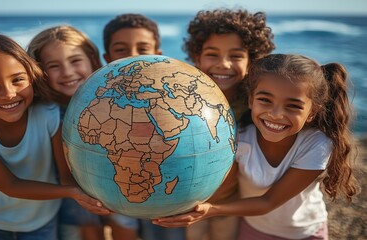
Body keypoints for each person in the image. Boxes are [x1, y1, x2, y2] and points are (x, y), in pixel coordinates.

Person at [154, 54, 359, 239]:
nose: (276, 114)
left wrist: (211, 210)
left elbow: (268, 202)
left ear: (312, 112)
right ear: (251, 100)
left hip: (304, 233)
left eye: (293, 105)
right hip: (253, 229)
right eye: (265, 100)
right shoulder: (239, 137)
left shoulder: (316, 144)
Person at [0, 33, 110, 240]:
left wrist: (99, 197)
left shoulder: (48, 115)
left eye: (17, 80)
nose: (8, 93)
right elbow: (10, 185)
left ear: (32, 77)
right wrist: (72, 193)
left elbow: (65, 176)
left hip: (41, 224)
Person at [180, 8, 275, 240]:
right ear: (197, 58)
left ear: (251, 60)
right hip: (189, 203)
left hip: (230, 203)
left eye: (236, 55)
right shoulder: (184, 99)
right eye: (212, 54)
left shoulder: (256, 105)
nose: (223, 64)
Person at [102, 13, 185, 240]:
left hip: (166, 189)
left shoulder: (171, 95)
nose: (132, 56)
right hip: (119, 186)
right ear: (107, 57)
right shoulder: (97, 97)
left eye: (142, 48)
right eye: (121, 49)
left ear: (158, 56)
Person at [27, 25, 106, 240]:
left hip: (106, 199)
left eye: (75, 61)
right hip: (60, 210)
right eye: (54, 66)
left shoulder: (109, 103)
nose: (67, 72)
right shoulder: (44, 113)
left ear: (92, 58)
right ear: (39, 71)